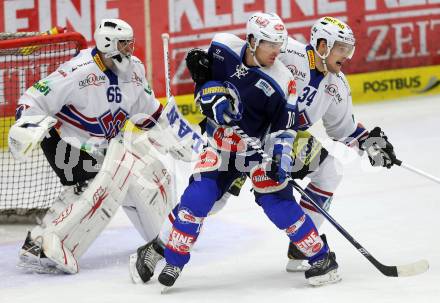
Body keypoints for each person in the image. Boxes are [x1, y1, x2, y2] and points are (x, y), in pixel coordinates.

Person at [130, 12, 341, 289]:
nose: (277, 51)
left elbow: (284, 129)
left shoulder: (283, 80)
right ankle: (161, 250)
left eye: (280, 43)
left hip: (257, 152)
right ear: (252, 40)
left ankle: (322, 260)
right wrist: (204, 88)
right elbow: (203, 75)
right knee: (201, 199)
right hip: (220, 146)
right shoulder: (222, 47)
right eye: (269, 44)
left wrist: (281, 157)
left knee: (278, 204)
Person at [8, 18, 203, 274]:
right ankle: (41, 244)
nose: (129, 49)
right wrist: (27, 125)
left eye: (130, 43)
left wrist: (175, 138)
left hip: (105, 147)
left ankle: (164, 235)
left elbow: (148, 113)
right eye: (123, 44)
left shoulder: (134, 70)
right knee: (104, 179)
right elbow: (32, 98)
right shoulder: (79, 71)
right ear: (107, 44)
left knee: (144, 174)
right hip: (66, 142)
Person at [275, 16, 398, 271]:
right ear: (322, 45)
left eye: (348, 49)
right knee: (216, 195)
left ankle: (301, 244)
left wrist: (372, 143)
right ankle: (169, 240)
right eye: (341, 48)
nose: (347, 56)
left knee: (329, 171)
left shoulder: (336, 85)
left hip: (287, 140)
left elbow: (344, 129)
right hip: (247, 132)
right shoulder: (287, 51)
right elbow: (243, 55)